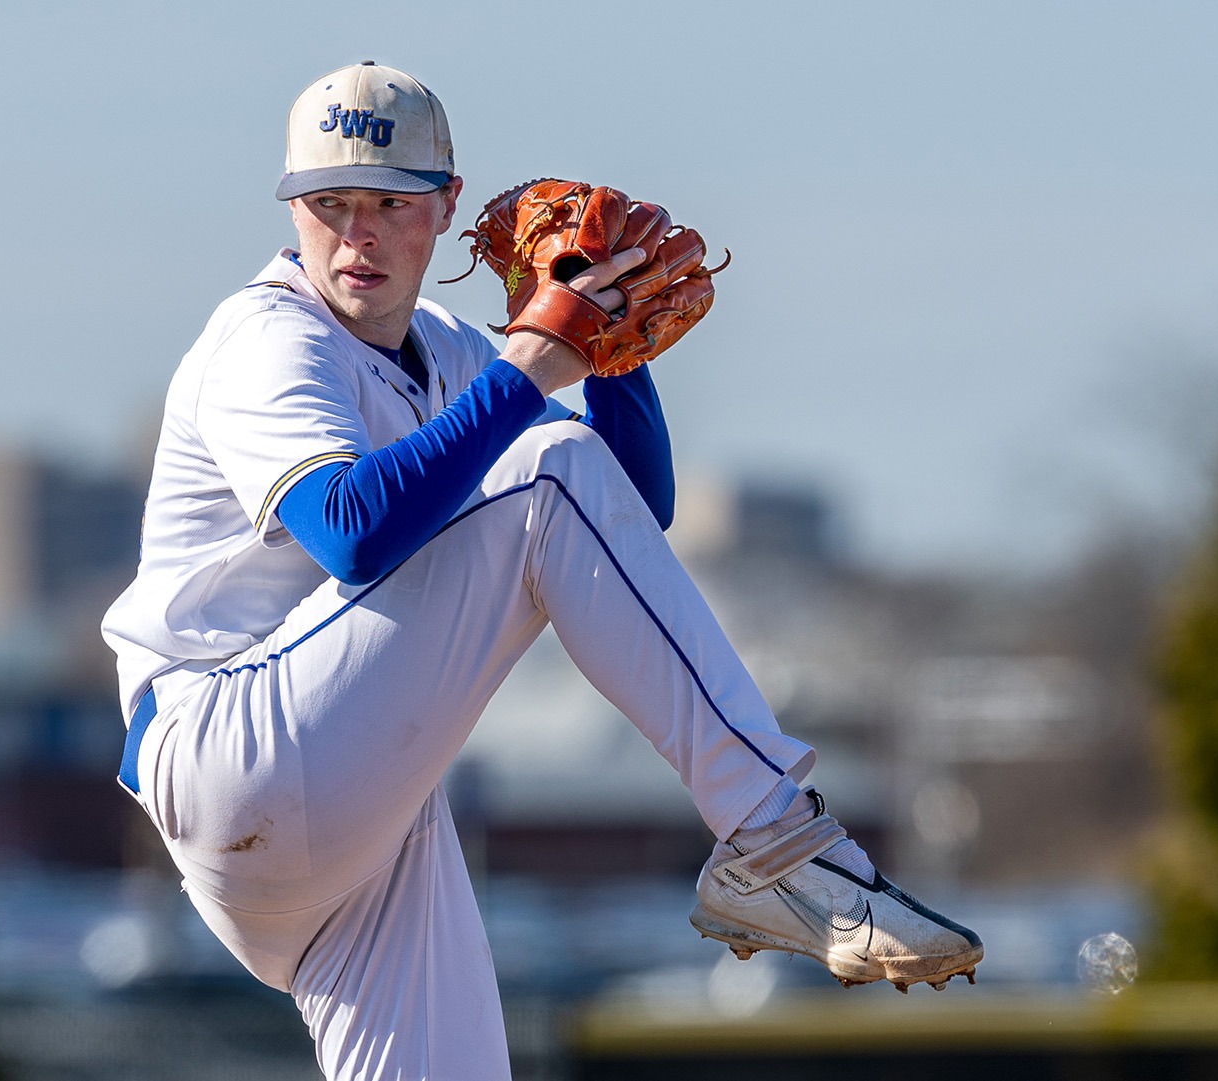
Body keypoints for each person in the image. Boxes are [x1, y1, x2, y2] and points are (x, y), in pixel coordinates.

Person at [101, 60, 982, 1081]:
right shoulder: (266, 337)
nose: (357, 235)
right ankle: (778, 845)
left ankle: (774, 847)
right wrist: (532, 362)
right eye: (328, 203)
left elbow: (622, 518)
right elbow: (350, 529)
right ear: (292, 211)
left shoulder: (446, 347)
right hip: (225, 744)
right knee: (543, 466)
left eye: (389, 204)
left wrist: (613, 351)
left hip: (361, 827)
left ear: (446, 210)